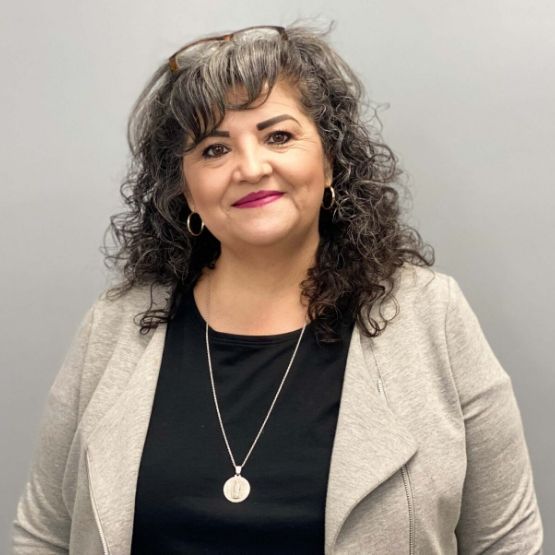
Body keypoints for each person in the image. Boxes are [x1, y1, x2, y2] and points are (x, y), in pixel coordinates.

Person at [13, 24, 543, 554]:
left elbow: (505, 541)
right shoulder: (115, 323)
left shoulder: (433, 315)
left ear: (331, 160)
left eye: (279, 136)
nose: (250, 167)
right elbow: (44, 533)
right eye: (214, 150)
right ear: (186, 193)